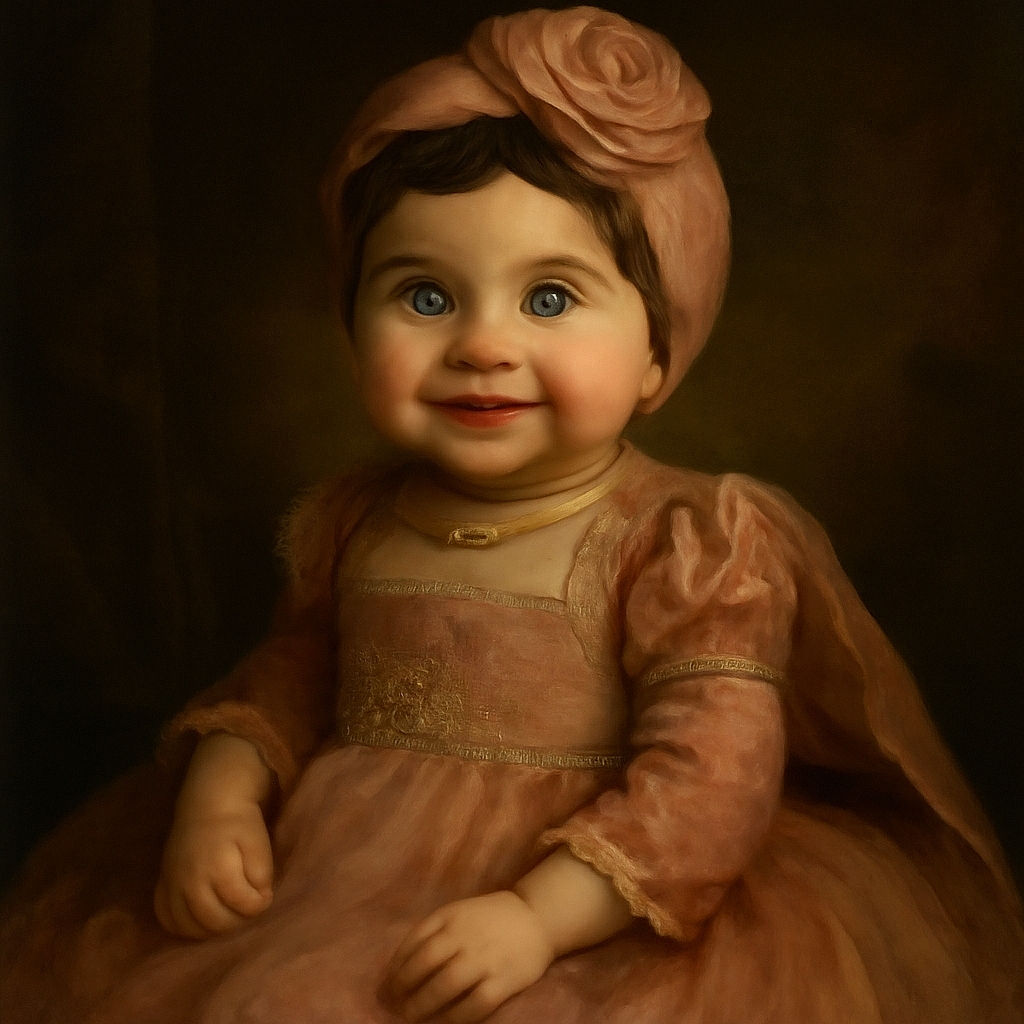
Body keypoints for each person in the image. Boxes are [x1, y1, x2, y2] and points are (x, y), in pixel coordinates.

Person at [2, 7, 1021, 1023]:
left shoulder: (688, 542)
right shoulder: (358, 519)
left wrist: (537, 917)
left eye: (547, 299)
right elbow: (298, 673)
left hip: (590, 899)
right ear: (352, 326)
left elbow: (710, 774)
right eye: (425, 296)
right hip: (340, 876)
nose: (482, 344)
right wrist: (224, 789)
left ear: (658, 350)